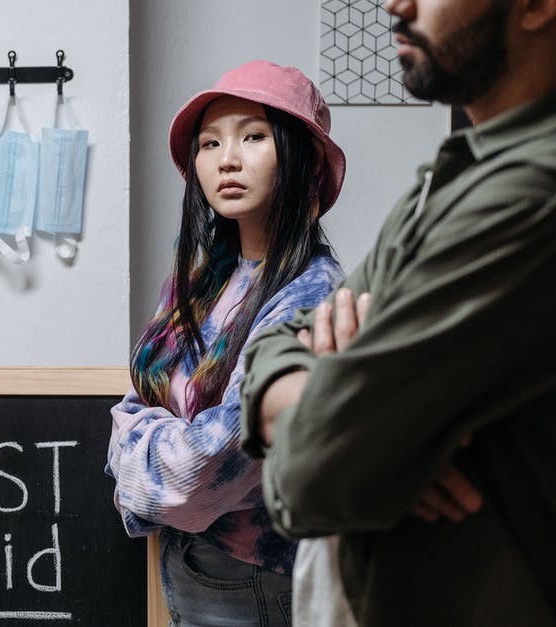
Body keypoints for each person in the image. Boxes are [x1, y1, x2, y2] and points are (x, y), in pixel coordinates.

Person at [239, 0, 556, 624]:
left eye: (254, 137)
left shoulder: (529, 192)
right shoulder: (448, 177)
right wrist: (370, 433)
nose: (395, 3)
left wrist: (349, 437)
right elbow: (270, 345)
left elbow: (317, 471)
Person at [105, 60, 347, 626]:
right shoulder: (202, 281)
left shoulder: (312, 298)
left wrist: (136, 453)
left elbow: (197, 476)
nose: (226, 159)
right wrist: (159, 441)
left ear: (304, 160)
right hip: (189, 568)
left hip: (257, 583)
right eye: (210, 143)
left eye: (254, 137)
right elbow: (137, 403)